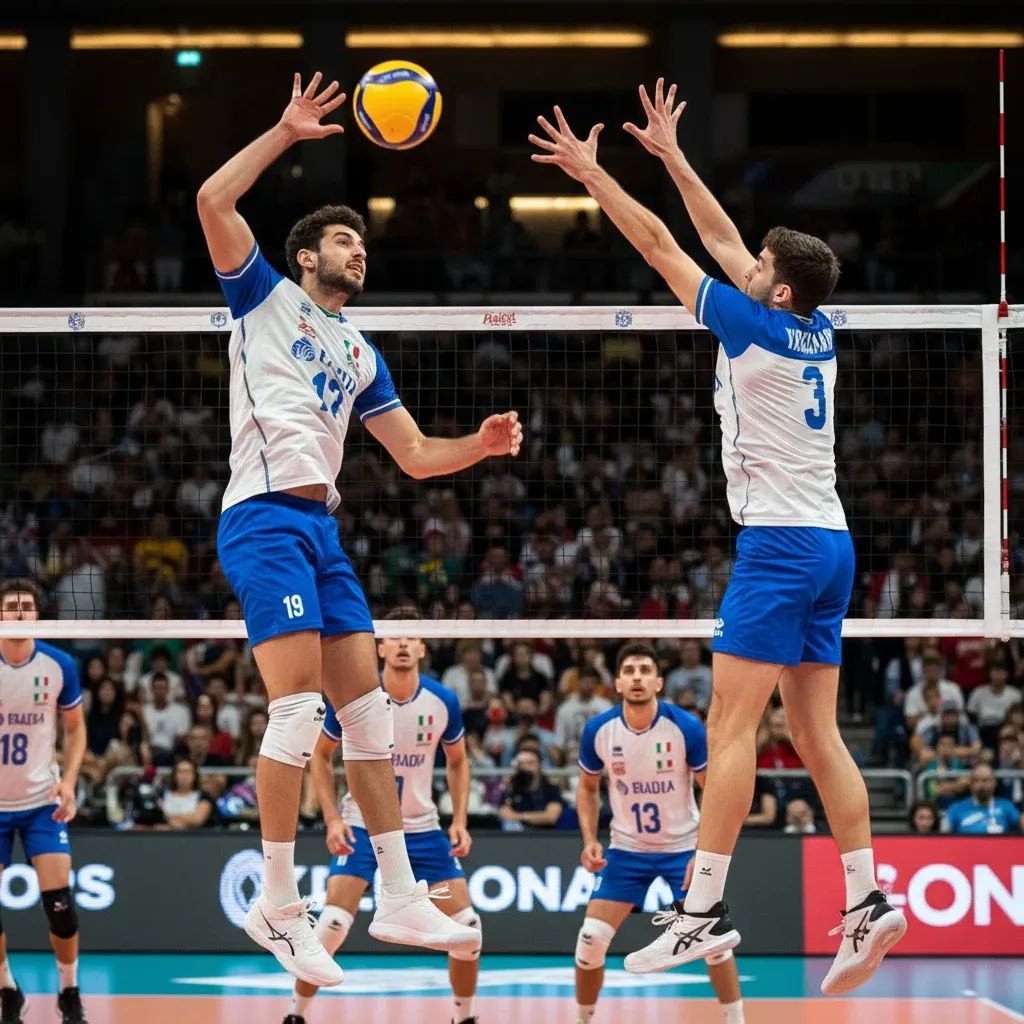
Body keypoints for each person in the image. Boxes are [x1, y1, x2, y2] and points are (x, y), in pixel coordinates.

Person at [529, 79, 905, 992]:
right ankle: (866, 901)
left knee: (733, 729)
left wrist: (590, 172)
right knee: (819, 737)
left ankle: (700, 911)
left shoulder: (748, 323)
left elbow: (662, 244)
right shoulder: (811, 326)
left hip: (779, 545)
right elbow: (727, 242)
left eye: (759, 263)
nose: (744, 262)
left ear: (772, 288)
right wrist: (668, 154)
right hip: (832, 543)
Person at [197, 71, 521, 982]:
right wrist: (287, 130)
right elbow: (213, 198)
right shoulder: (261, 295)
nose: (358, 251)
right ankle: (277, 900)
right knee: (297, 709)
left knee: (369, 716)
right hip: (262, 517)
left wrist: (483, 447)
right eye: (344, 239)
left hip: (322, 531)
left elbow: (416, 456)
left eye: (363, 242)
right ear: (307, 256)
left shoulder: (358, 346)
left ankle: (399, 894)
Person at [283, 610, 481, 1024]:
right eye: (396, 638)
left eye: (413, 638)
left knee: (469, 928)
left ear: (423, 647)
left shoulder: (443, 700)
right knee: (333, 923)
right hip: (361, 824)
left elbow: (458, 762)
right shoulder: (358, 695)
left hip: (424, 828)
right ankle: (295, 1015)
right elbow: (320, 756)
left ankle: (463, 1018)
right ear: (380, 647)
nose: (404, 644)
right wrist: (333, 818)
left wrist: (459, 818)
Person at [574, 643, 745, 1024]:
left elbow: (712, 790)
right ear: (617, 682)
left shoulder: (684, 726)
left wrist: (704, 852)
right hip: (626, 850)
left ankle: (737, 1020)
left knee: (713, 944)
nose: (637, 677)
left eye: (645, 670)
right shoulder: (598, 730)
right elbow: (587, 789)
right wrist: (589, 838)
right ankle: (583, 1019)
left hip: (683, 849)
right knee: (589, 941)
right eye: (630, 670)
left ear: (658, 681)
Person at [0, 579, 88, 1023]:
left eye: (25, 608)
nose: (18, 614)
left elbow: (76, 728)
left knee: (60, 905)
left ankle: (68, 990)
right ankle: (6, 988)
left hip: (39, 801)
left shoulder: (58, 664)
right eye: (10, 607)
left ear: (38, 615)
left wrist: (68, 781)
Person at [943, 764, 1021, 835]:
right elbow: (943, 837)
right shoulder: (956, 809)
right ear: (970, 784)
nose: (981, 785)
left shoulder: (1006, 806)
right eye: (976, 781)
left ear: (994, 783)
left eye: (985, 780)